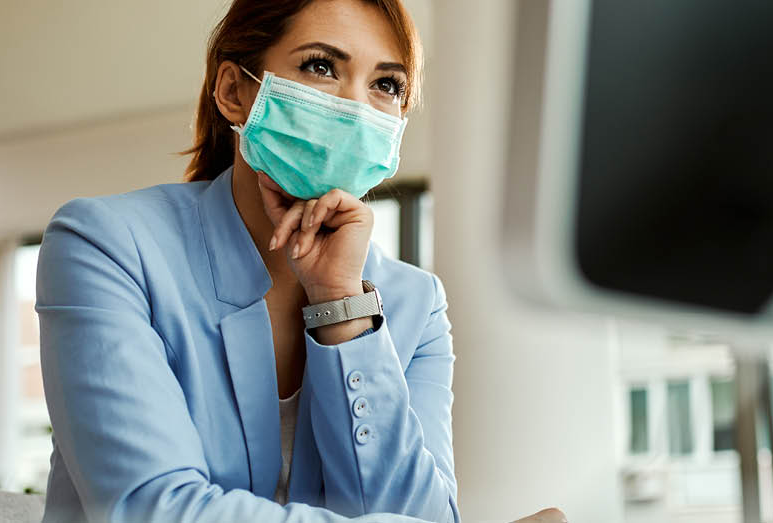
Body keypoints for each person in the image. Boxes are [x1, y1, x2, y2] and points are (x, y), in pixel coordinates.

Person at [34, 1, 531, 521]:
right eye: (321, 66)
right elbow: (150, 509)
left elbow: (424, 513)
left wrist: (340, 304)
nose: (356, 108)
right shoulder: (105, 245)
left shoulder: (415, 302)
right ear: (234, 92)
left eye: (386, 85)